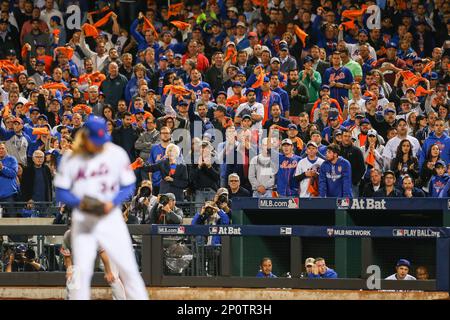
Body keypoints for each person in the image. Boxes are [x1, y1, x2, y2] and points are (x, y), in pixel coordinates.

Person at [54, 116, 148, 300]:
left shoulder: (115, 153)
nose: (100, 144)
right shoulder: (71, 158)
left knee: (129, 268)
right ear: (85, 137)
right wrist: (78, 202)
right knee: (80, 274)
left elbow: (128, 185)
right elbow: (61, 192)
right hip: (84, 219)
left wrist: (113, 202)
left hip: (111, 216)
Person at [61, 229, 126, 300]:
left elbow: (103, 253)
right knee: (73, 277)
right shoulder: (68, 235)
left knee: (113, 277)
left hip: (106, 252)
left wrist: (108, 272)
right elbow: (67, 256)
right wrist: (69, 271)